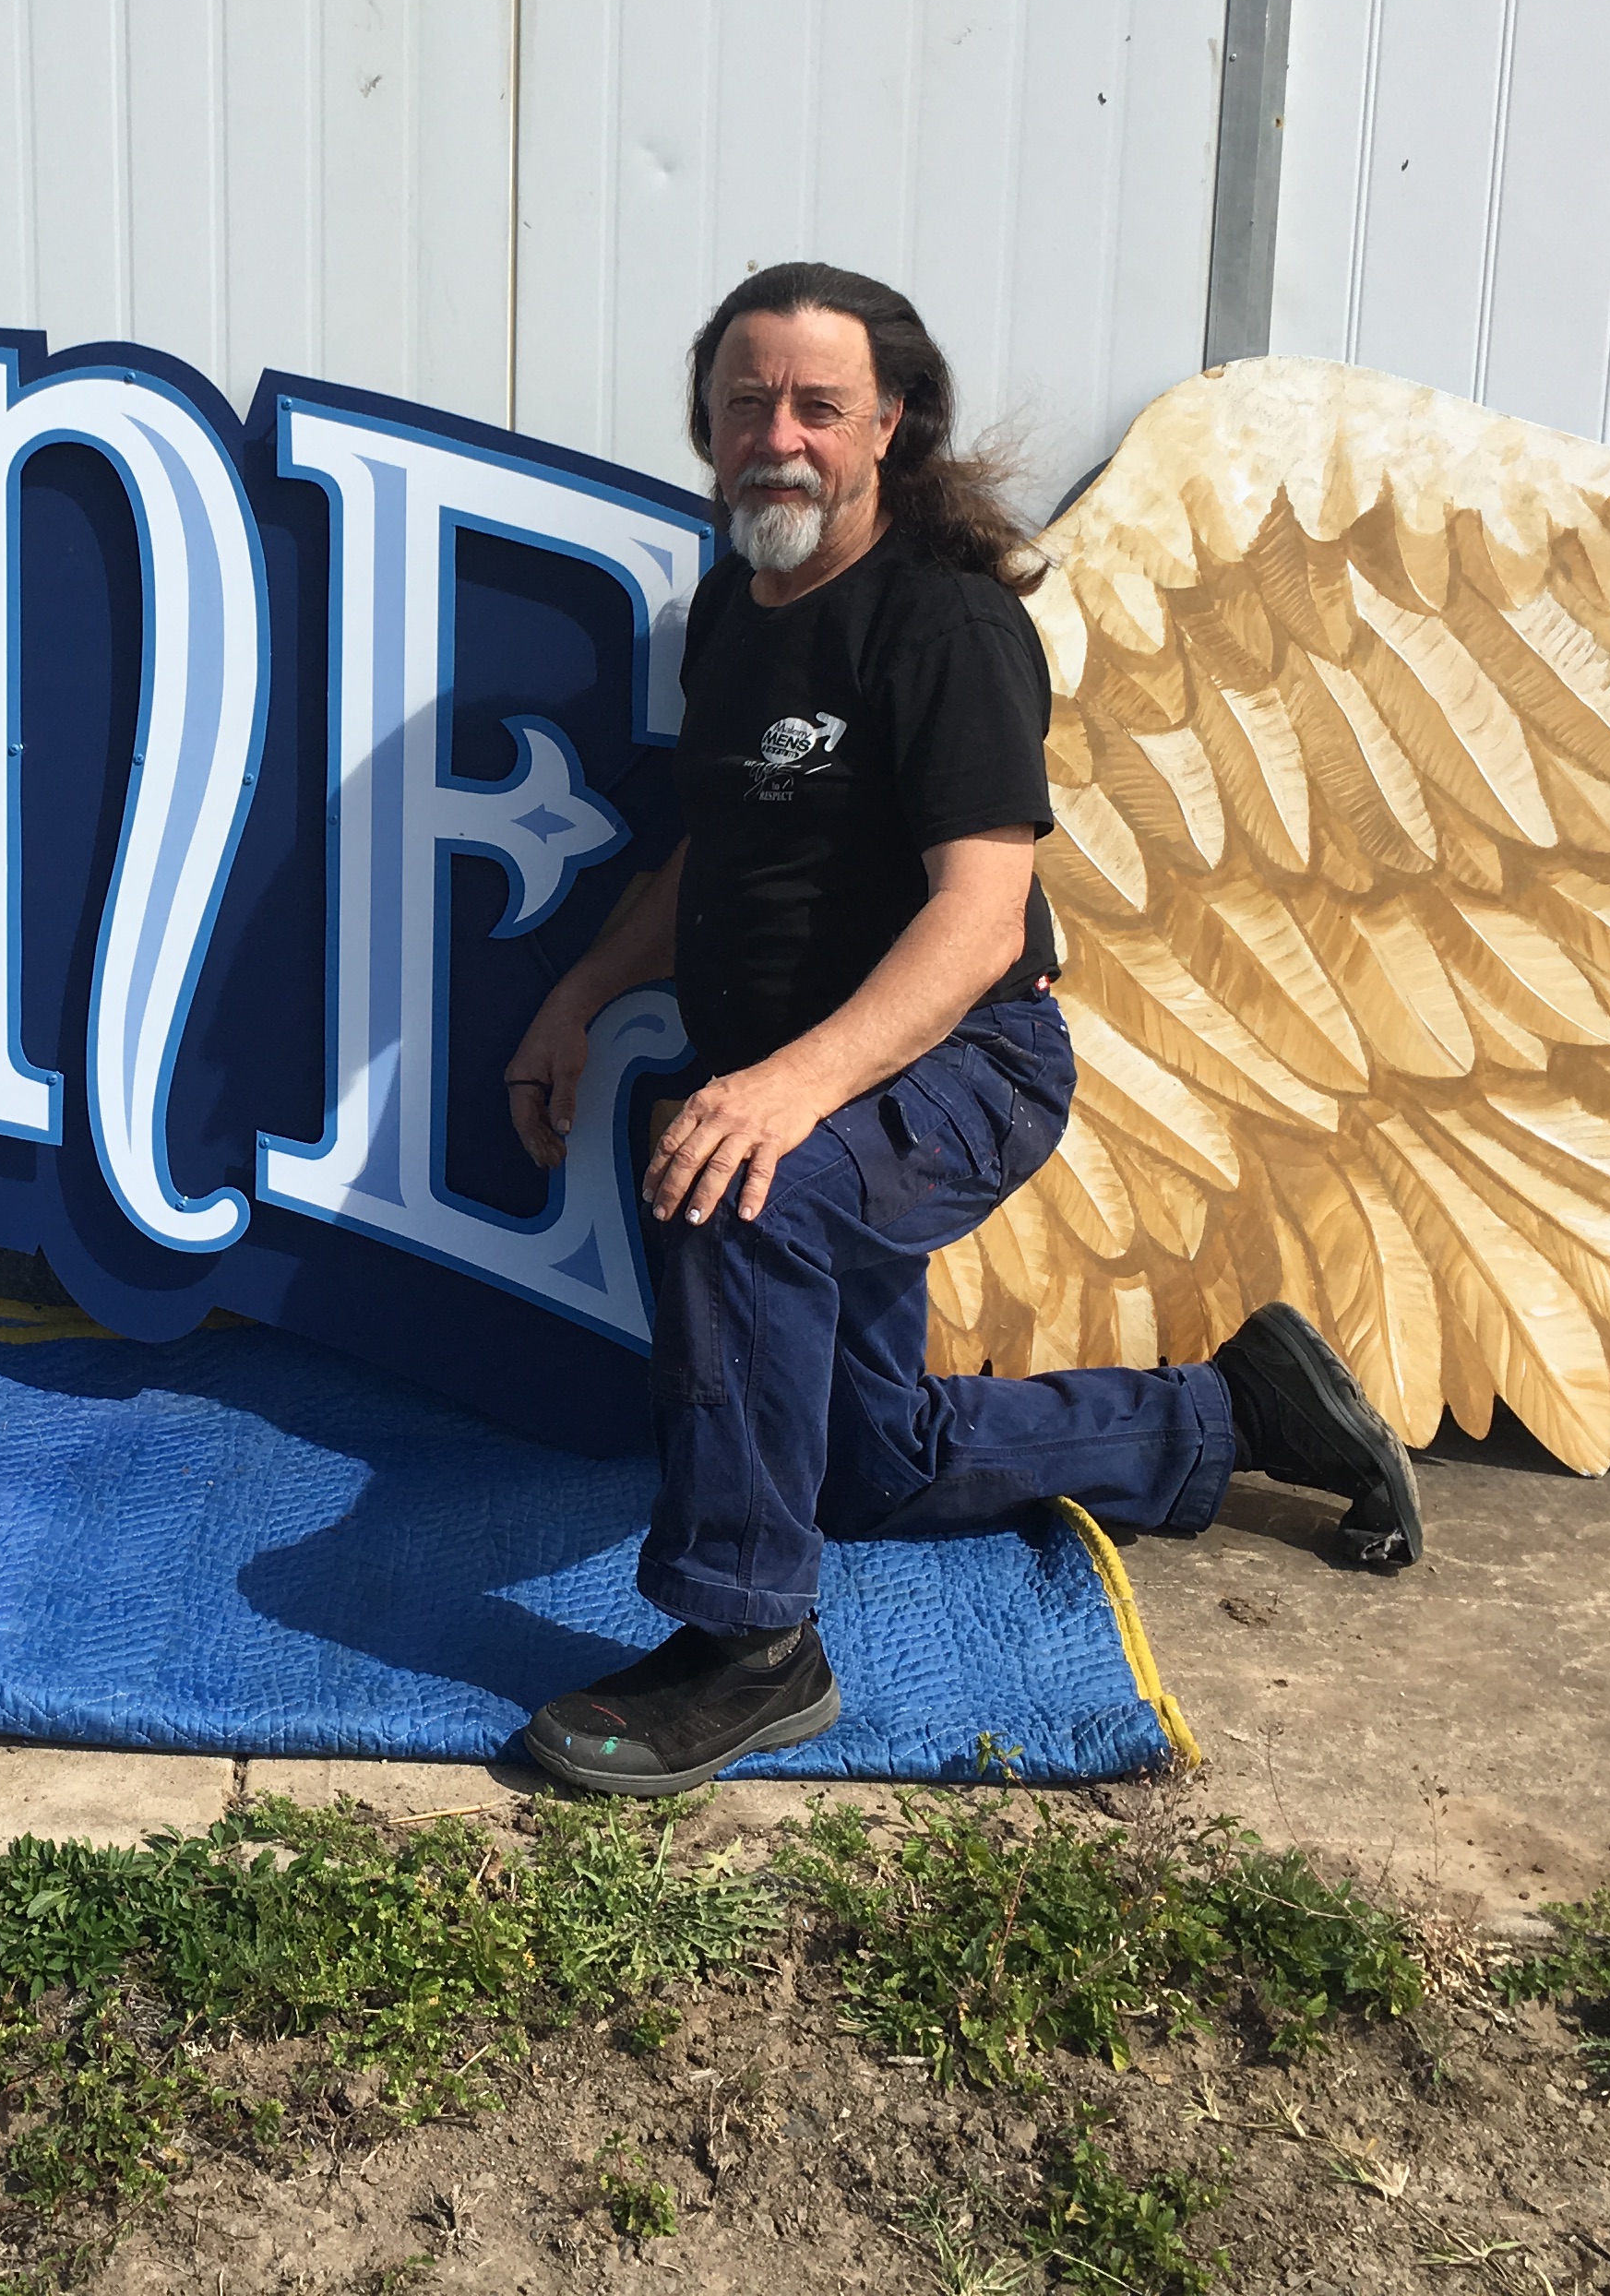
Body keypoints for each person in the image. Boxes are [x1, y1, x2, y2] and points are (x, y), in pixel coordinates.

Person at [500, 263, 1420, 1799]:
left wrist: (783, 1091)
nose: (777, 437)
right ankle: (1231, 1414)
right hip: (823, 1086)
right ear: (708, 424)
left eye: (819, 406)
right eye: (746, 403)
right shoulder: (731, 607)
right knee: (873, 1467)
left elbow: (982, 917)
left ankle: (750, 1648)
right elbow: (717, 854)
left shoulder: (946, 626)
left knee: (737, 1193)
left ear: (893, 425)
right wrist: (579, 995)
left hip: (963, 1068)